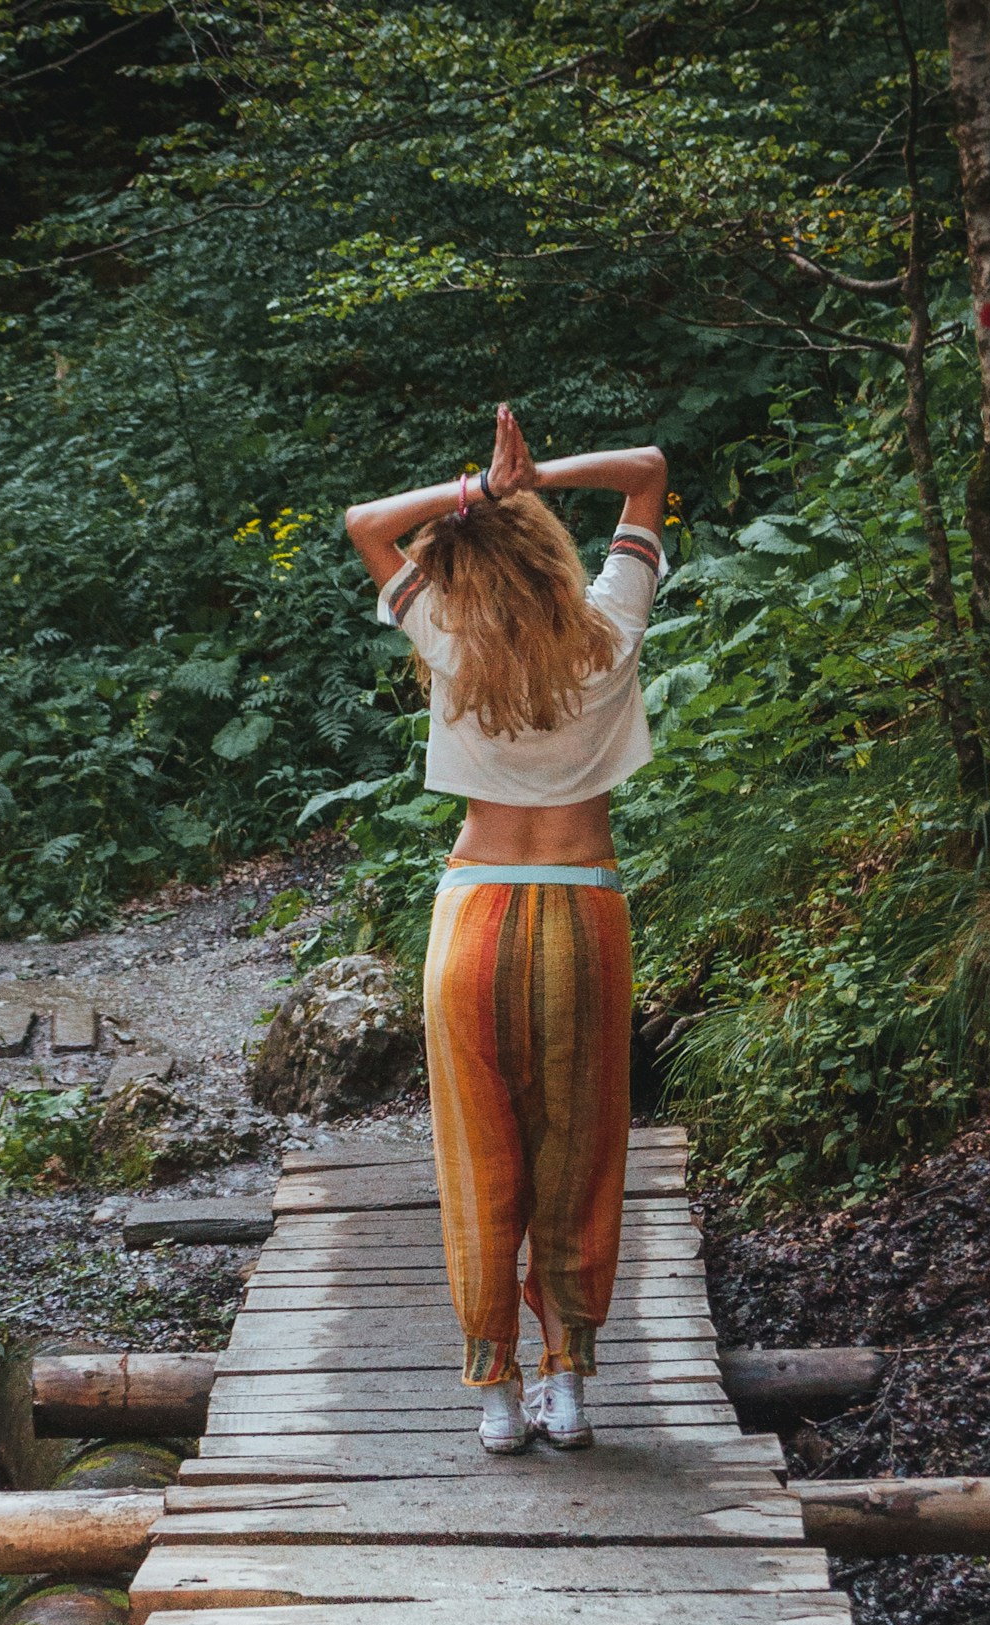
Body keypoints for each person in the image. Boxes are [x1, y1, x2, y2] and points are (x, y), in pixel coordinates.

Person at [344, 406, 668, 1454]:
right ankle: (568, 1383)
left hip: (474, 916)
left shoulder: (446, 633)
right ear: (546, 547)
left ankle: (494, 1389)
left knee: (481, 1164)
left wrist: (481, 488)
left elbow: (364, 523)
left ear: (464, 561)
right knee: (578, 1158)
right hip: (582, 912)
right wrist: (537, 479)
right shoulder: (610, 628)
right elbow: (650, 472)